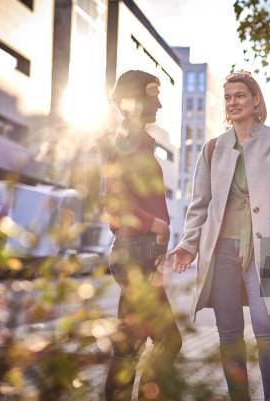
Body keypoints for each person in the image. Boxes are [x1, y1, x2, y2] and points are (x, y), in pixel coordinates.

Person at [169, 71, 270, 401]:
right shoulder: (213, 148)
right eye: (228, 97)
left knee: (268, 329)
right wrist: (189, 245)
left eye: (240, 95)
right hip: (222, 251)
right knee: (229, 334)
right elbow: (199, 204)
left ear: (256, 99)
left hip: (264, 249)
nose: (233, 102)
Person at [103, 70, 182, 401]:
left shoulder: (138, 142)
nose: (160, 103)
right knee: (165, 340)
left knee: (129, 344)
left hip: (139, 252)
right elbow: (115, 205)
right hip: (135, 252)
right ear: (136, 98)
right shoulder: (128, 143)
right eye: (154, 94)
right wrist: (156, 225)